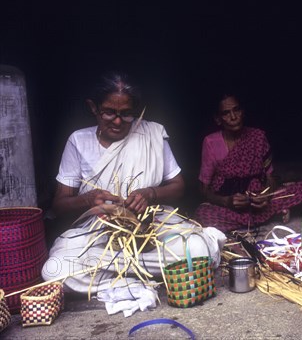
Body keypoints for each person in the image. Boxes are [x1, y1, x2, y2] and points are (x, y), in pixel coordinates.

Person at [42, 72, 226, 294]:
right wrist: (89, 199)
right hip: (99, 235)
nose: (118, 121)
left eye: (126, 114)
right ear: (93, 107)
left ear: (136, 111)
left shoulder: (152, 133)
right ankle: (147, 278)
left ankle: (119, 277)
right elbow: (59, 205)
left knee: (198, 250)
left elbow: (178, 186)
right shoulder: (78, 141)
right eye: (109, 112)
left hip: (153, 227)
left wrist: (149, 194)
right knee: (54, 270)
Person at [194, 92, 302, 233]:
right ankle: (272, 215)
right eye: (226, 113)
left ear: (242, 111)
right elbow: (204, 189)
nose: (233, 117)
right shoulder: (211, 142)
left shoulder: (258, 137)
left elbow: (271, 177)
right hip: (228, 204)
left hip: (259, 201)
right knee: (202, 214)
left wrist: (267, 196)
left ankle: (262, 215)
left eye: (236, 110)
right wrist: (226, 201)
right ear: (218, 119)